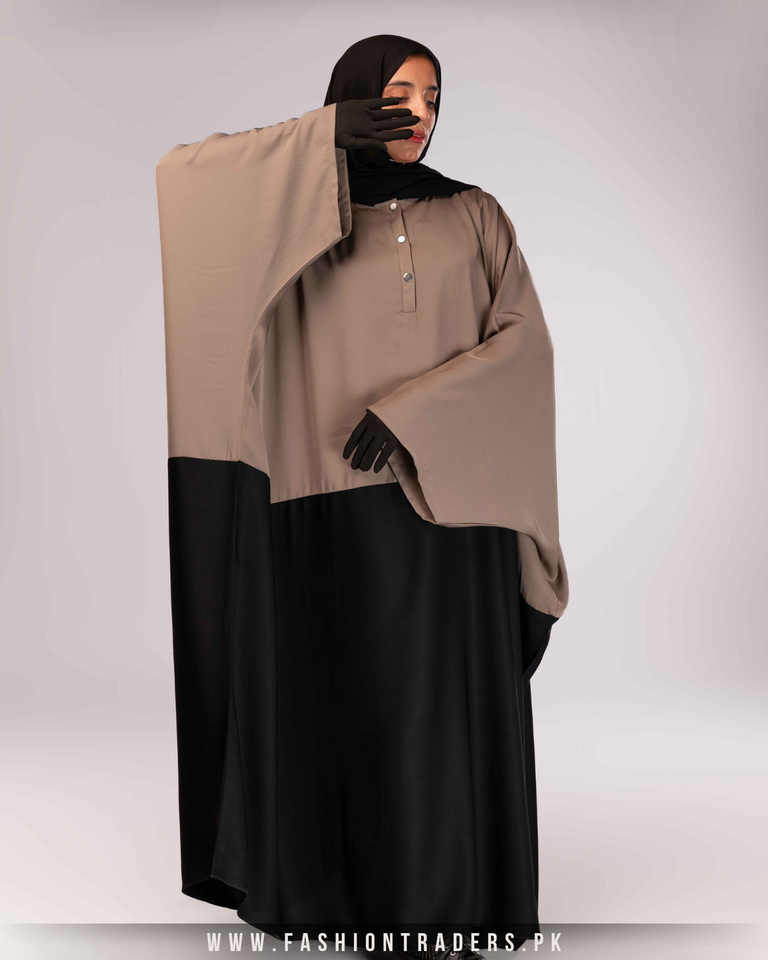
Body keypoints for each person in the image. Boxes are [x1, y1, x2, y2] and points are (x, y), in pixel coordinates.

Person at [155, 32, 568, 960]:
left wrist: (418, 415)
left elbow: (524, 345)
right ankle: (336, 906)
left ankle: (453, 909)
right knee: (340, 708)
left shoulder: (476, 215)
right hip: (320, 507)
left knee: (438, 720)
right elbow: (182, 180)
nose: (418, 114)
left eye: (433, 97)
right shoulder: (292, 212)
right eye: (397, 95)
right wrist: (315, 139)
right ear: (352, 100)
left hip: (451, 508)